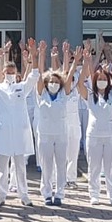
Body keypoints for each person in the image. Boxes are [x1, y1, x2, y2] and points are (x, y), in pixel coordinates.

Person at [0, 41, 37, 207]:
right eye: (8, 71)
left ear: (17, 72)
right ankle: (0, 195)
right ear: (3, 72)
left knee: (20, 166)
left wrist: (33, 55)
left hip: (19, 132)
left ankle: (24, 195)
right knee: (1, 167)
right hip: (3, 131)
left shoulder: (22, 87)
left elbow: (34, 76)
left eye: (13, 71)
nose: (10, 74)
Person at [32, 42, 75, 207]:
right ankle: (47, 193)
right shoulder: (41, 95)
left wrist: (71, 59)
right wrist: (41, 55)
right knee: (47, 166)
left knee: (61, 165)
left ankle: (60, 193)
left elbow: (68, 77)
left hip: (61, 135)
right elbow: (40, 76)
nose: (54, 84)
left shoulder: (64, 94)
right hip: (45, 135)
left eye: (56, 82)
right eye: (51, 82)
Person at [78, 55, 112, 206]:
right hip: (94, 135)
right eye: (99, 79)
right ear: (95, 81)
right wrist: (86, 63)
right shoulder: (91, 95)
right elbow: (79, 85)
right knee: (94, 166)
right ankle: (94, 195)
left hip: (111, 135)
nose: (102, 81)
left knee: (111, 167)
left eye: (105, 78)